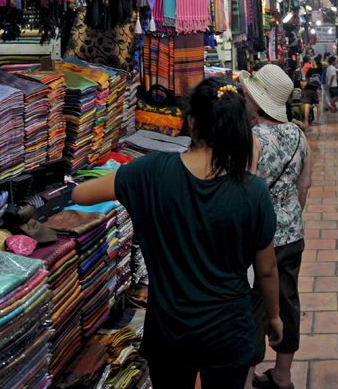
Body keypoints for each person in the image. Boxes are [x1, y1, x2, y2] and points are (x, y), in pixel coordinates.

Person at [71, 79, 282, 389]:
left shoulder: (151, 171)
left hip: (170, 330)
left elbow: (80, 195)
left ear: (192, 121)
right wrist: (274, 315)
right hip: (228, 329)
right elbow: (266, 270)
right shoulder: (253, 191)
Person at [240, 65, 313, 389]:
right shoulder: (298, 135)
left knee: (252, 305)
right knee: (287, 301)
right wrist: (288, 218)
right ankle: (282, 375)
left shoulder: (248, 139)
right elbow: (304, 185)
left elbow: (242, 187)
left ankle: (245, 376)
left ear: (258, 101)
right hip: (289, 235)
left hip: (253, 238)